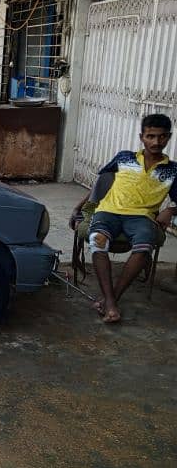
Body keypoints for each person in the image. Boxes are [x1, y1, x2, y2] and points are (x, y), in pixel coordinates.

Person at [70, 114, 177, 323]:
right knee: (97, 241)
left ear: (169, 137)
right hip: (108, 211)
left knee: (144, 247)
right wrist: (79, 208)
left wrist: (170, 210)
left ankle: (111, 300)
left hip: (142, 217)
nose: (156, 142)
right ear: (142, 137)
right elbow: (99, 185)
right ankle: (110, 303)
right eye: (151, 136)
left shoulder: (173, 169)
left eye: (162, 137)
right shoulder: (124, 157)